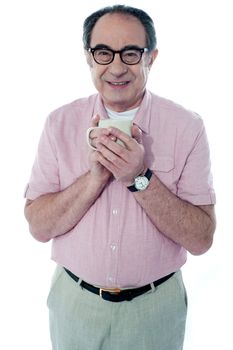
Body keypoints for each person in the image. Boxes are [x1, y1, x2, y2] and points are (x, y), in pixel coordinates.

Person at [24, 4, 216, 350]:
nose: (116, 67)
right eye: (103, 53)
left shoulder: (188, 127)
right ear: (88, 58)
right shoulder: (59, 123)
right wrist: (93, 179)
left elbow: (202, 239)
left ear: (151, 58)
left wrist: (139, 177)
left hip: (155, 309)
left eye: (130, 53)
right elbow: (38, 227)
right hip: (74, 304)